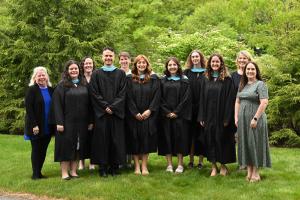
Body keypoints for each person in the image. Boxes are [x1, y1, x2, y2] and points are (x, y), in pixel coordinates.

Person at [89, 47, 127, 177]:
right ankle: (103, 168)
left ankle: (115, 167)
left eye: (110, 56)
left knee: (116, 140)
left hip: (116, 114)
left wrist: (113, 107)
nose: (108, 58)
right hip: (102, 114)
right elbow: (94, 93)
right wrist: (105, 107)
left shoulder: (121, 73)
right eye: (106, 56)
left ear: (114, 57)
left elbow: (123, 93)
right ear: (102, 57)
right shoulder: (96, 74)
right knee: (102, 141)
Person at [53, 60, 92, 180]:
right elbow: (57, 105)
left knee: (78, 146)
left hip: (81, 122)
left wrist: (90, 121)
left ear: (79, 70)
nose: (74, 71)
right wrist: (59, 122)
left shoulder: (84, 84)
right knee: (66, 146)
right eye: (71, 69)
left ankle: (74, 171)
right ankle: (65, 172)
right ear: (67, 71)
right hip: (67, 122)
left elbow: (90, 104)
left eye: (76, 68)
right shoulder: (62, 85)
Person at [198, 54, 236, 176]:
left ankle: (223, 166)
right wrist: (201, 116)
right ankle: (214, 166)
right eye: (213, 62)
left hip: (222, 117)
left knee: (222, 140)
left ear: (221, 63)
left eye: (217, 62)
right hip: (208, 116)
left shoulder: (227, 80)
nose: (215, 64)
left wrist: (227, 118)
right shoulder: (205, 79)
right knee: (210, 140)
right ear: (209, 64)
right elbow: (202, 99)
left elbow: (231, 100)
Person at [235, 61, 271, 182]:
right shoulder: (242, 84)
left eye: (252, 69)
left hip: (255, 119)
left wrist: (255, 118)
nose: (250, 71)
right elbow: (237, 102)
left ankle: (256, 173)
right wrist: (236, 118)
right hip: (243, 120)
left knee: (255, 144)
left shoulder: (260, 84)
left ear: (256, 71)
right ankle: (249, 171)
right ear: (245, 72)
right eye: (248, 69)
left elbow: (264, 102)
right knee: (246, 144)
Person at [126, 55, 160, 175]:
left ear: (147, 64)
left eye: (143, 63)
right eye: (139, 63)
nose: (141, 65)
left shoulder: (153, 78)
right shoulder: (129, 79)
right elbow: (128, 97)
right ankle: (136, 166)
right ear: (135, 65)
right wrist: (135, 112)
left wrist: (150, 110)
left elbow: (157, 95)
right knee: (134, 139)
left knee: (146, 139)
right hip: (133, 116)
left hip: (148, 115)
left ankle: (144, 166)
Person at [158, 57, 192, 174]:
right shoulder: (162, 81)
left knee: (180, 139)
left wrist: (176, 112)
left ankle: (180, 165)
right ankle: (169, 165)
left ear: (178, 66)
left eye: (174, 65)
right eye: (170, 65)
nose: (172, 67)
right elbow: (159, 98)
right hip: (165, 116)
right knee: (167, 139)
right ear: (167, 67)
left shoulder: (184, 80)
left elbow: (186, 98)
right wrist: (167, 111)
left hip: (180, 116)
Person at [24, 66, 55, 180]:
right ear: (35, 78)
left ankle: (39, 172)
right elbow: (29, 109)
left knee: (43, 150)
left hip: (48, 125)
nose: (42, 77)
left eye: (43, 75)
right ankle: (35, 174)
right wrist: (34, 125)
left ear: (47, 77)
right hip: (36, 126)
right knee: (36, 149)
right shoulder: (32, 90)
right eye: (39, 75)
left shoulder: (51, 90)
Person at [183, 50, 206, 169]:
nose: (195, 58)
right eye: (193, 57)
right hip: (189, 109)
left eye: (197, 56)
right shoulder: (186, 72)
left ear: (200, 58)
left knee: (201, 135)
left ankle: (201, 161)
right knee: (191, 135)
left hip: (202, 108)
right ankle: (191, 160)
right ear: (190, 59)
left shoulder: (207, 73)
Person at [78, 56, 95, 170]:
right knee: (81, 137)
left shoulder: (97, 77)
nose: (88, 65)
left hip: (94, 112)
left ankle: (93, 162)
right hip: (81, 113)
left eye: (90, 63)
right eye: (86, 63)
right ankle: (81, 162)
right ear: (83, 65)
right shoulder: (79, 79)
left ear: (93, 65)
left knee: (94, 138)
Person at [119, 51, 133, 169]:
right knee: (120, 134)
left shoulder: (133, 74)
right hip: (119, 108)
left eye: (126, 59)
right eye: (122, 59)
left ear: (130, 60)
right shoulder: (116, 73)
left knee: (129, 133)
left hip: (131, 109)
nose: (124, 61)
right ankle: (120, 160)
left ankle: (129, 160)